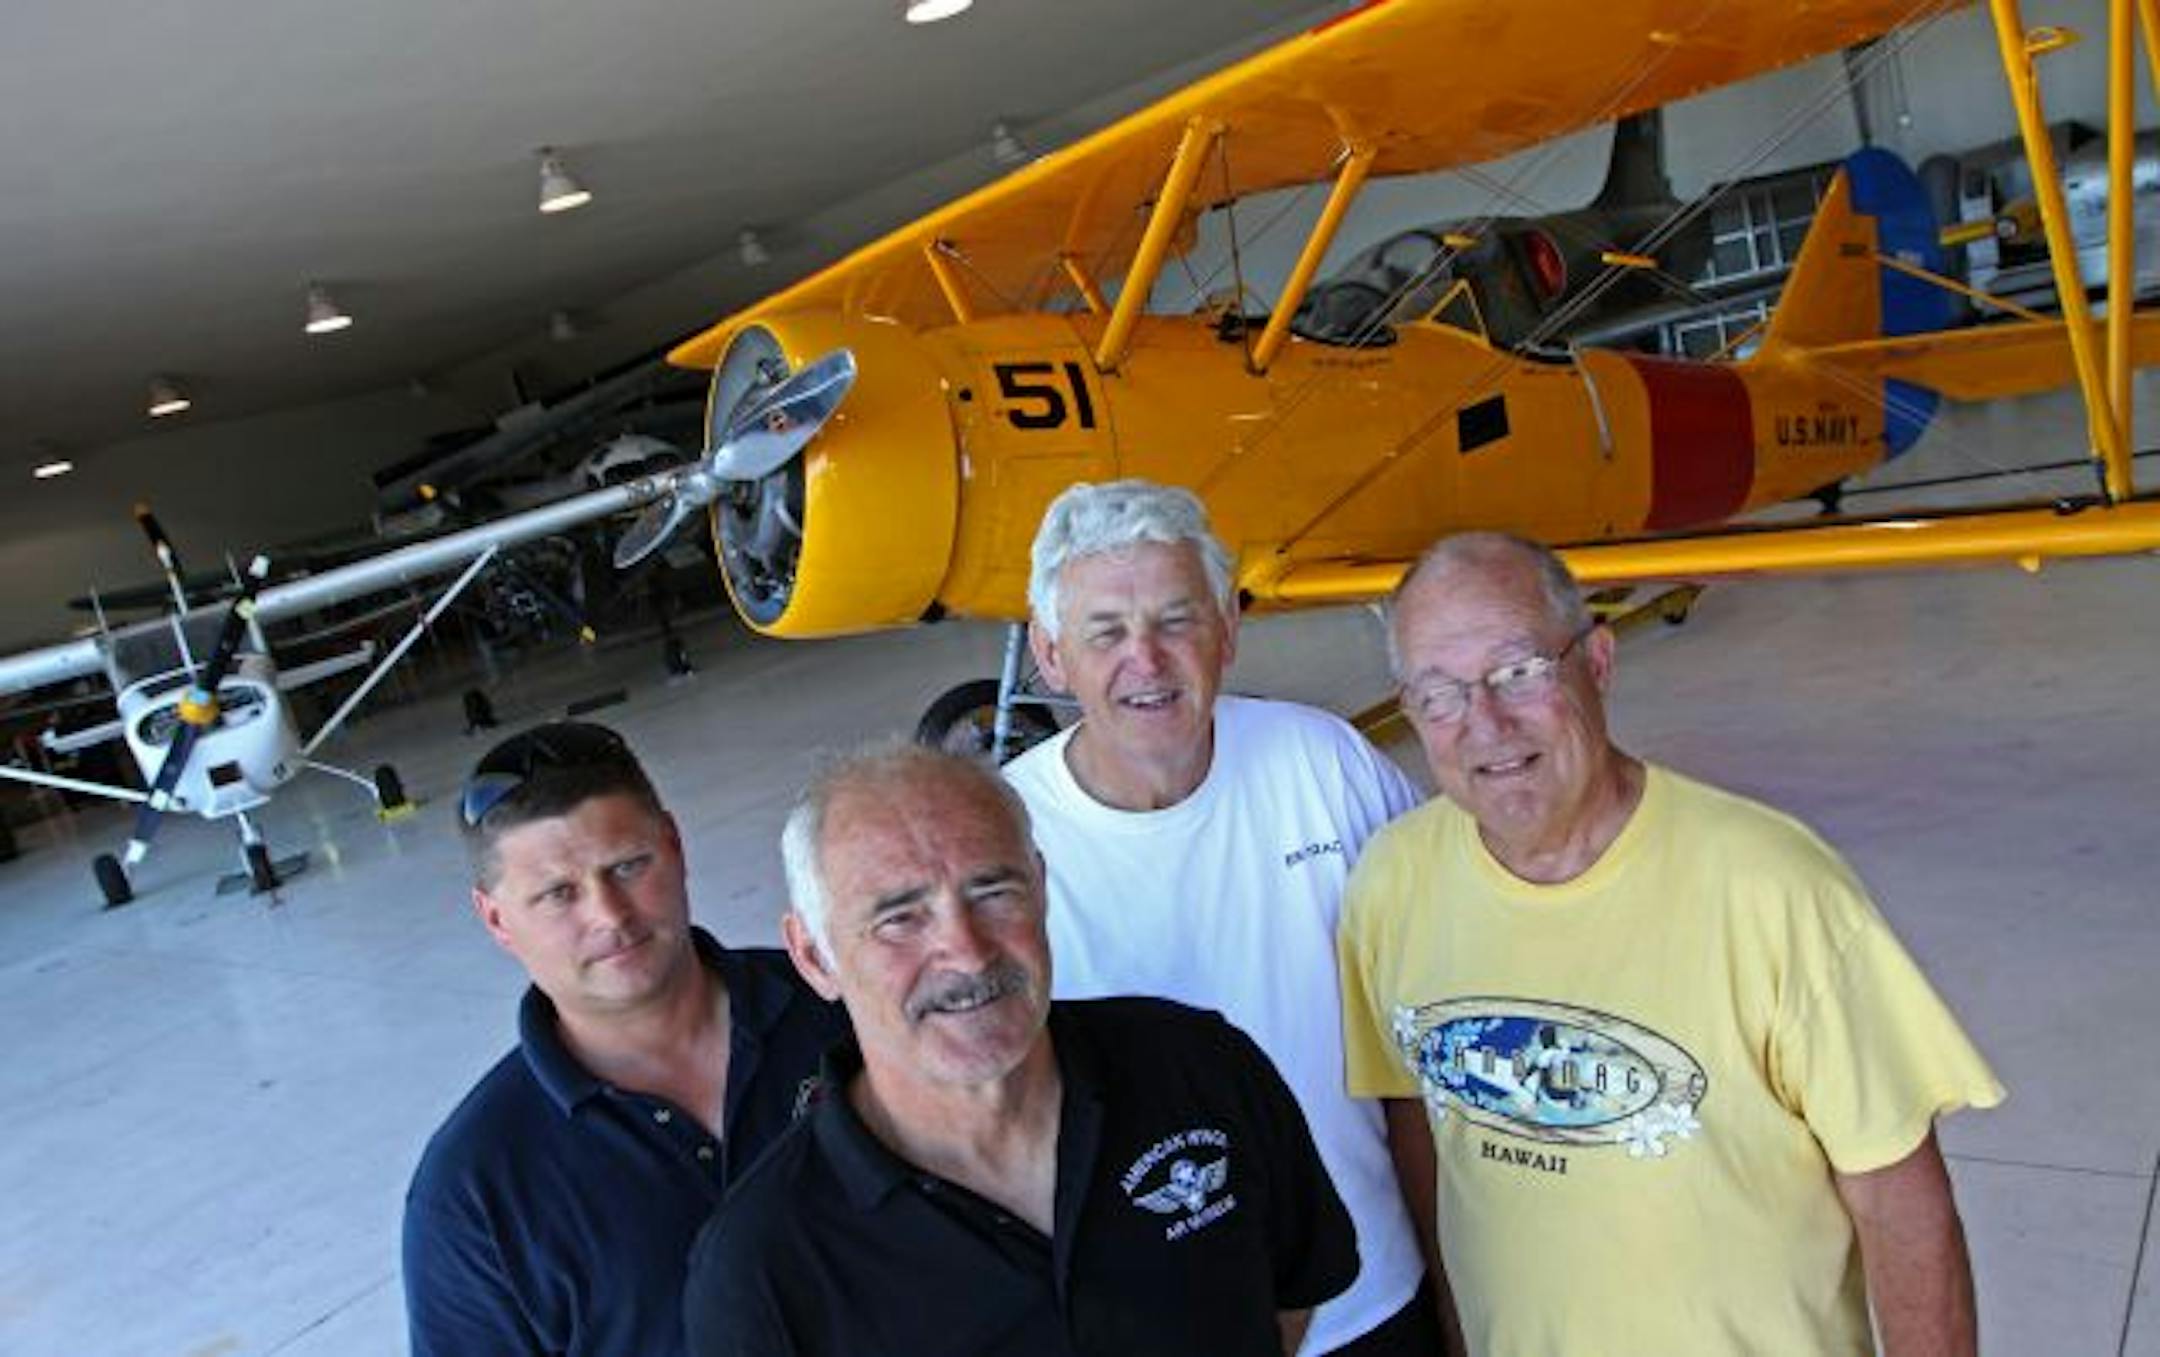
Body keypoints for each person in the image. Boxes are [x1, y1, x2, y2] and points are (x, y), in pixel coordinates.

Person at [1338, 532, 2005, 1356]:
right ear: (1412, 712)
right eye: (1441, 693)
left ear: (1600, 662)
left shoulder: (1775, 885)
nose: (1486, 723)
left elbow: (1900, 1201)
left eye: (1519, 672)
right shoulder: (1390, 884)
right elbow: (1418, 1127)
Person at [683, 744, 1356, 1357]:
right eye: (900, 917)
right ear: (813, 955)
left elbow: (1289, 1295)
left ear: (1039, 885)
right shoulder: (761, 1268)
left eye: (993, 890)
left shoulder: (1201, 1065)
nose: (968, 953)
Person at [1002, 479, 1440, 1354]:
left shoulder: (1325, 764)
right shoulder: (1004, 838)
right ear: (1052, 655)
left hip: (1377, 1292)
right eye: (1106, 632)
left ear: (1229, 630)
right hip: (1161, 1329)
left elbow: (1429, 1023)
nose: (1147, 660)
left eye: (1176, 620)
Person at [402, 721, 848, 1357]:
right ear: (496, 919)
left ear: (675, 845)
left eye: (629, 866)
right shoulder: (476, 1188)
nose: (610, 915)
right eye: (559, 894)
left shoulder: (844, 1009)